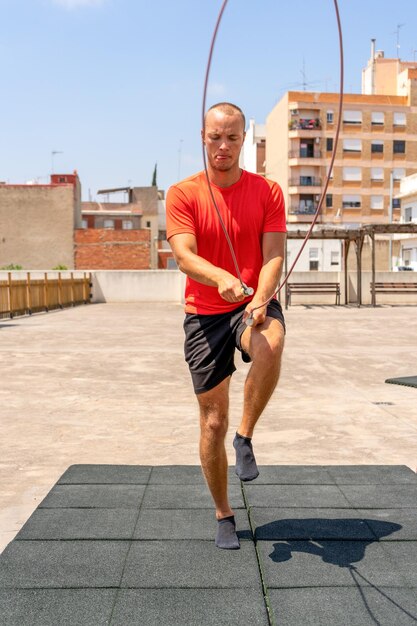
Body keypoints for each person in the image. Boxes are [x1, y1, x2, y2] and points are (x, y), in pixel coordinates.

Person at [166, 102, 286, 549]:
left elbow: (273, 253)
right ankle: (223, 514)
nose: (223, 146)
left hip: (252, 302)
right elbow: (184, 255)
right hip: (204, 312)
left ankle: (246, 437)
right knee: (211, 421)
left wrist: (260, 297)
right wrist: (221, 278)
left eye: (233, 138)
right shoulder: (182, 193)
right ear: (203, 136)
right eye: (216, 137)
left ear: (243, 141)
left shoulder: (268, 192)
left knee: (271, 344)